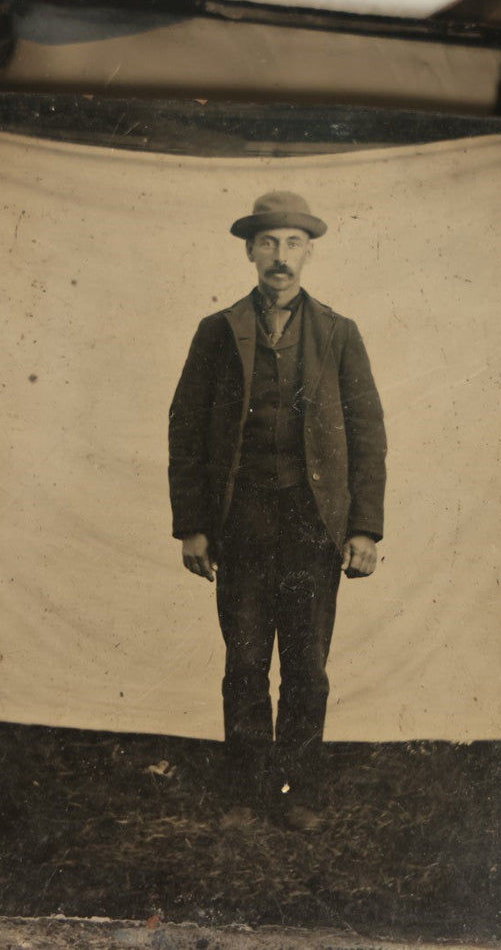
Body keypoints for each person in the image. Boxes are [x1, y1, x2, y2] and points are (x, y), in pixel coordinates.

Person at [168, 191, 387, 831]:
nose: (279, 257)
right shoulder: (217, 331)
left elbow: (368, 434)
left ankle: (296, 791)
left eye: (292, 243)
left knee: (307, 665)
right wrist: (194, 526)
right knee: (243, 661)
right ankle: (245, 790)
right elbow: (185, 430)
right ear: (249, 251)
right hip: (242, 521)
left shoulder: (340, 333)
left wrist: (365, 528)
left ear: (309, 251)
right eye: (267, 243)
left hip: (313, 524)